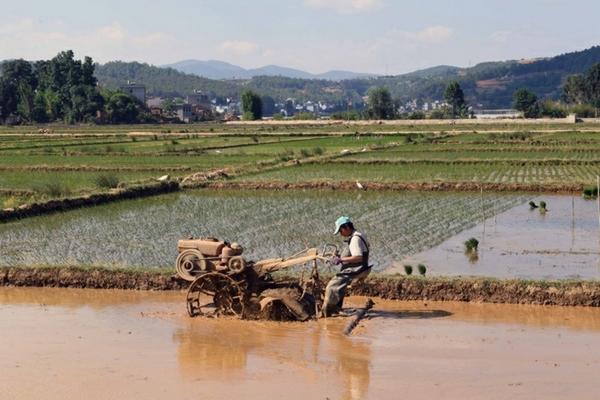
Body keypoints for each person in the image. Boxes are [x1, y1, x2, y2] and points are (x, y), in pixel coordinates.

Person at [322, 216, 371, 317]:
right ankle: (337, 308)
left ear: (346, 228)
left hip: (357, 268)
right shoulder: (359, 234)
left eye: (340, 231)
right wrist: (340, 257)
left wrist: (340, 260)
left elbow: (358, 257)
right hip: (359, 266)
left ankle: (330, 311)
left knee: (331, 286)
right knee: (340, 285)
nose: (341, 234)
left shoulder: (355, 239)